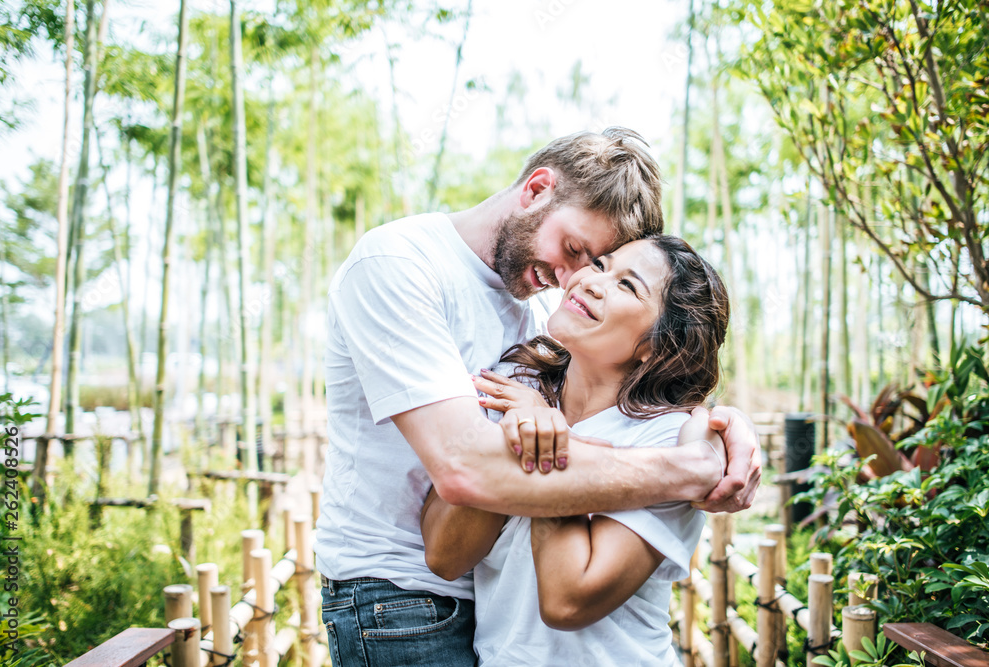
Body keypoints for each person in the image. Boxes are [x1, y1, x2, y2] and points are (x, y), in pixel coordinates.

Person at [315, 127, 761, 667]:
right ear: (536, 189)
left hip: (471, 613)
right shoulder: (400, 264)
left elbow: (566, 594)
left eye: (616, 275)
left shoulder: (533, 328)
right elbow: (461, 476)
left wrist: (716, 426)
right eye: (583, 256)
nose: (573, 280)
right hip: (396, 593)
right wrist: (688, 469)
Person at [422, 235, 729, 666]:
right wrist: (533, 423)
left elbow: (568, 600)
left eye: (628, 285)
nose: (591, 281)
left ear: (655, 347)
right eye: (601, 265)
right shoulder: (515, 385)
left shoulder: (671, 439)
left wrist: (550, 436)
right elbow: (445, 555)